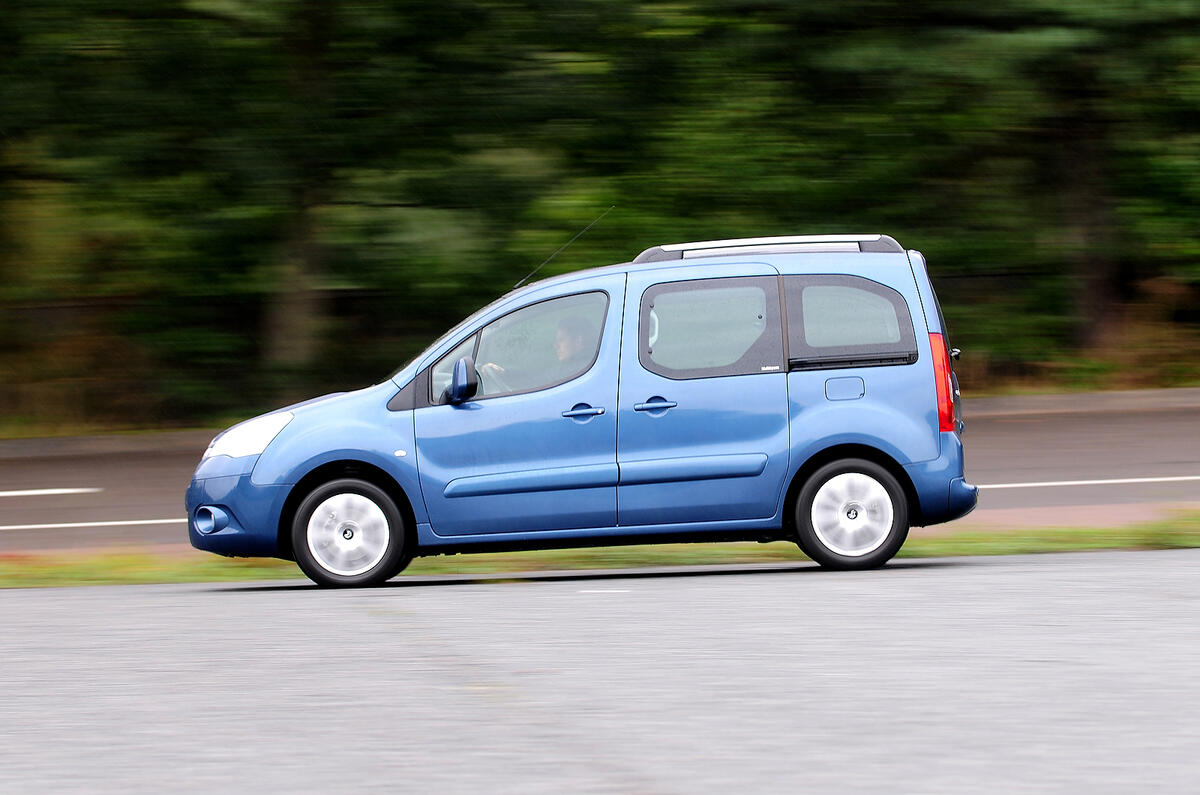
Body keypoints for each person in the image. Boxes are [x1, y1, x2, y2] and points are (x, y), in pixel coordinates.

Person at [478, 315, 595, 395]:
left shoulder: (576, 370)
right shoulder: (576, 367)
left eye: (561, 340)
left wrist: (506, 374)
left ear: (578, 340)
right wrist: (505, 373)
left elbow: (537, 382)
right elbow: (539, 379)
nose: (556, 346)